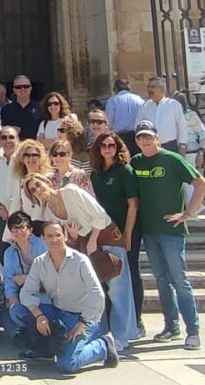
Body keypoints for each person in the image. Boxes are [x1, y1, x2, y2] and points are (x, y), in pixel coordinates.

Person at [24, 173, 138, 351]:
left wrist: (93, 239)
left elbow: (99, 214)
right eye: (33, 190)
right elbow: (67, 236)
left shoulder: (71, 192)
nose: (38, 190)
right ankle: (104, 333)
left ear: (47, 182)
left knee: (118, 289)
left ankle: (123, 336)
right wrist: (77, 238)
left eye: (38, 184)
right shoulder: (47, 212)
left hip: (107, 237)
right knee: (97, 290)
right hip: (86, 246)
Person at [130, 124, 204, 350]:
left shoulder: (172, 159)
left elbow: (199, 183)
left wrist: (188, 212)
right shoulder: (135, 162)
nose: (145, 141)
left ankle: (193, 331)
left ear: (157, 138)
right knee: (161, 280)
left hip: (171, 231)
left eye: (149, 137)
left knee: (179, 281)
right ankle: (171, 326)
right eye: (141, 137)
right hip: (149, 231)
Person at [15, 223, 119, 373]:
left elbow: (97, 294)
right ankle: (47, 348)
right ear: (43, 239)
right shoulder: (40, 262)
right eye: (50, 236)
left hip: (83, 317)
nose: (54, 240)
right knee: (19, 310)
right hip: (59, 312)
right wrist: (39, 316)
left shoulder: (80, 260)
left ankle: (103, 345)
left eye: (58, 235)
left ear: (65, 236)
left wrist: (82, 323)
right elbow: (25, 293)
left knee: (67, 364)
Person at [90, 132, 144, 334]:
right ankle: (110, 326)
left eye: (111, 145)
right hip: (103, 233)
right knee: (107, 277)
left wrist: (127, 234)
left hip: (124, 231)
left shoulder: (125, 170)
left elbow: (133, 204)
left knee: (128, 277)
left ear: (117, 147)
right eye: (103, 145)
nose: (107, 149)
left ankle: (134, 323)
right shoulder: (96, 173)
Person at [1, 212, 48, 341]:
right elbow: (10, 283)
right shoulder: (9, 253)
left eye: (22, 227)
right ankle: (36, 333)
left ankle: (36, 336)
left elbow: (49, 275)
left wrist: (26, 279)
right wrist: (15, 303)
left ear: (30, 229)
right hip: (23, 297)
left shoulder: (42, 245)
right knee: (14, 311)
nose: (19, 231)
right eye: (15, 228)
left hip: (45, 293)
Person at [0, 126, 21, 250]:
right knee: (3, 253)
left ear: (18, 140)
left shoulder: (23, 163)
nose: (7, 141)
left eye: (11, 137)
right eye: (4, 138)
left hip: (20, 216)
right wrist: (0, 208)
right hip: (1, 217)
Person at [137, 76, 187, 152]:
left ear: (162, 88)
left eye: (153, 87)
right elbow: (137, 127)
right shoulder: (144, 107)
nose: (149, 89)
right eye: (148, 87)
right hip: (150, 147)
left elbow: (181, 126)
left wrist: (182, 145)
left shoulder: (173, 105)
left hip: (170, 146)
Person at [9, 140, 52, 222]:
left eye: (35, 155)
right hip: (29, 226)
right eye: (27, 155)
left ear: (41, 158)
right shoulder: (19, 181)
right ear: (22, 159)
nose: (31, 158)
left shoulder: (49, 177)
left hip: (47, 225)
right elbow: (16, 206)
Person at [1, 75, 41, 140]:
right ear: (14, 90)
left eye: (26, 86)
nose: (22, 89)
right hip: (14, 147)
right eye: (18, 87)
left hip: (35, 147)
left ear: (31, 88)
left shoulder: (40, 107)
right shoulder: (6, 109)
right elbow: (3, 130)